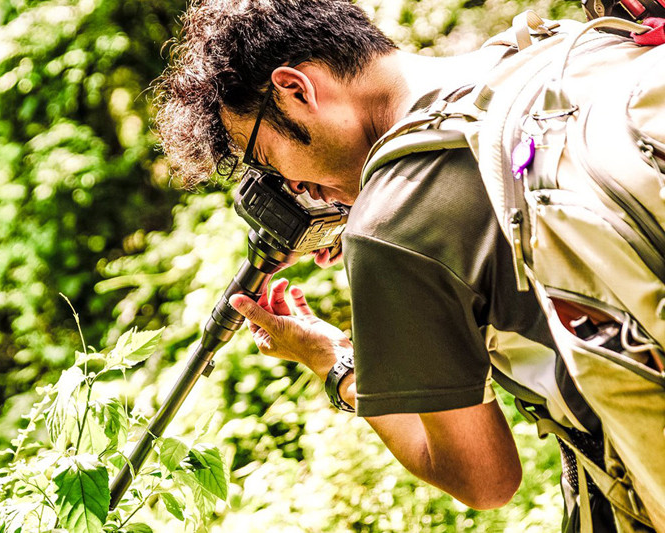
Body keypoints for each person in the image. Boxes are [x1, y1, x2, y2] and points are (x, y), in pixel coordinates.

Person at [154, 0, 614, 530]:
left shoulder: (390, 230)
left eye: (265, 158)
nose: (294, 189)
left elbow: (484, 480)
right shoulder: (539, 50)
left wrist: (334, 363)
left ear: (296, 90)